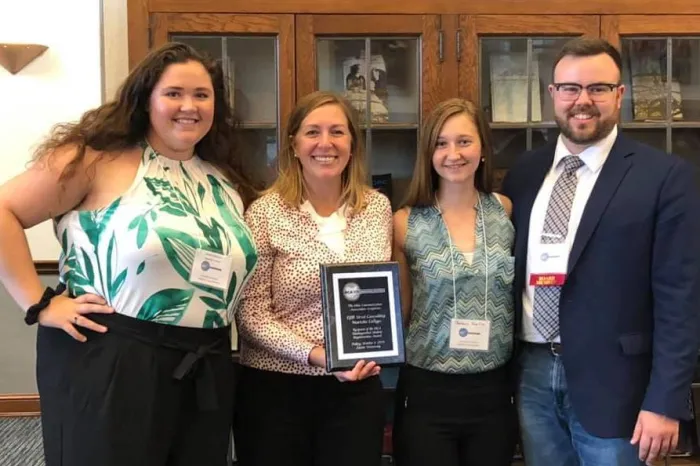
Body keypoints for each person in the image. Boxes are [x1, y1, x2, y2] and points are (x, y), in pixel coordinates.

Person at [0, 42, 258, 466]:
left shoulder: (223, 179)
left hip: (206, 359)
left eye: (202, 94)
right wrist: (39, 304)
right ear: (145, 99)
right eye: (174, 93)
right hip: (113, 357)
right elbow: (4, 210)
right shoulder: (93, 159)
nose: (188, 106)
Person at [501, 37, 700, 466]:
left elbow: (680, 300)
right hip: (532, 372)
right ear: (552, 94)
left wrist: (666, 401)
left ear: (620, 95)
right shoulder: (524, 173)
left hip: (619, 385)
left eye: (598, 88)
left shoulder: (665, 177)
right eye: (570, 88)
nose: (582, 101)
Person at [234, 90, 392, 466]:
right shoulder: (264, 212)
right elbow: (250, 314)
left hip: (357, 390)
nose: (326, 143)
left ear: (352, 143)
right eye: (313, 132)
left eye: (337, 132)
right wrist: (322, 358)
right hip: (277, 394)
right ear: (293, 143)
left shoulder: (377, 209)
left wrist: (365, 355)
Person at [391, 98, 517, 466]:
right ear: (428, 153)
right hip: (428, 391)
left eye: (464, 141)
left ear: (482, 149)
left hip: (493, 391)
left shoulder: (504, 210)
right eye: (441, 143)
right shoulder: (405, 222)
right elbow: (402, 310)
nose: (453, 154)